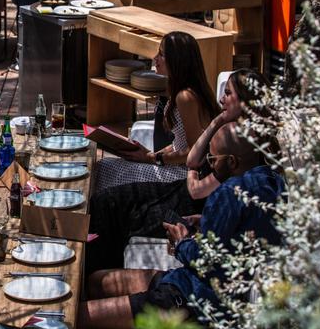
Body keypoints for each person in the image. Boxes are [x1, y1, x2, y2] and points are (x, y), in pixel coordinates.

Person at [77, 122, 285, 329]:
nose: (209, 164)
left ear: (232, 162)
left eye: (213, 160)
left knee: (80, 320)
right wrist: (205, 221)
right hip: (195, 283)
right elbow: (235, 240)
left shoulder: (229, 193)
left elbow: (204, 260)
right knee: (97, 282)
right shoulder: (273, 183)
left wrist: (182, 242)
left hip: (194, 301)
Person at [86, 69, 271, 275]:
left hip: (189, 207)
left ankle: (97, 277)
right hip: (181, 191)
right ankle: (97, 274)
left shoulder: (242, 146)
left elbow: (196, 190)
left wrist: (192, 170)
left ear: (246, 100)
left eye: (227, 94)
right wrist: (216, 122)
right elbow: (192, 159)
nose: (221, 98)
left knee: (112, 206)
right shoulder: (228, 128)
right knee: (106, 200)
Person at [93, 31, 220, 193]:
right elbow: (178, 144)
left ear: (177, 60)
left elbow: (193, 151)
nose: (155, 58)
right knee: (107, 166)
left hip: (183, 175)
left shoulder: (185, 97)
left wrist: (155, 158)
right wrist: (151, 155)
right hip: (176, 165)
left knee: (105, 168)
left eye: (161, 54)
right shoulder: (184, 91)